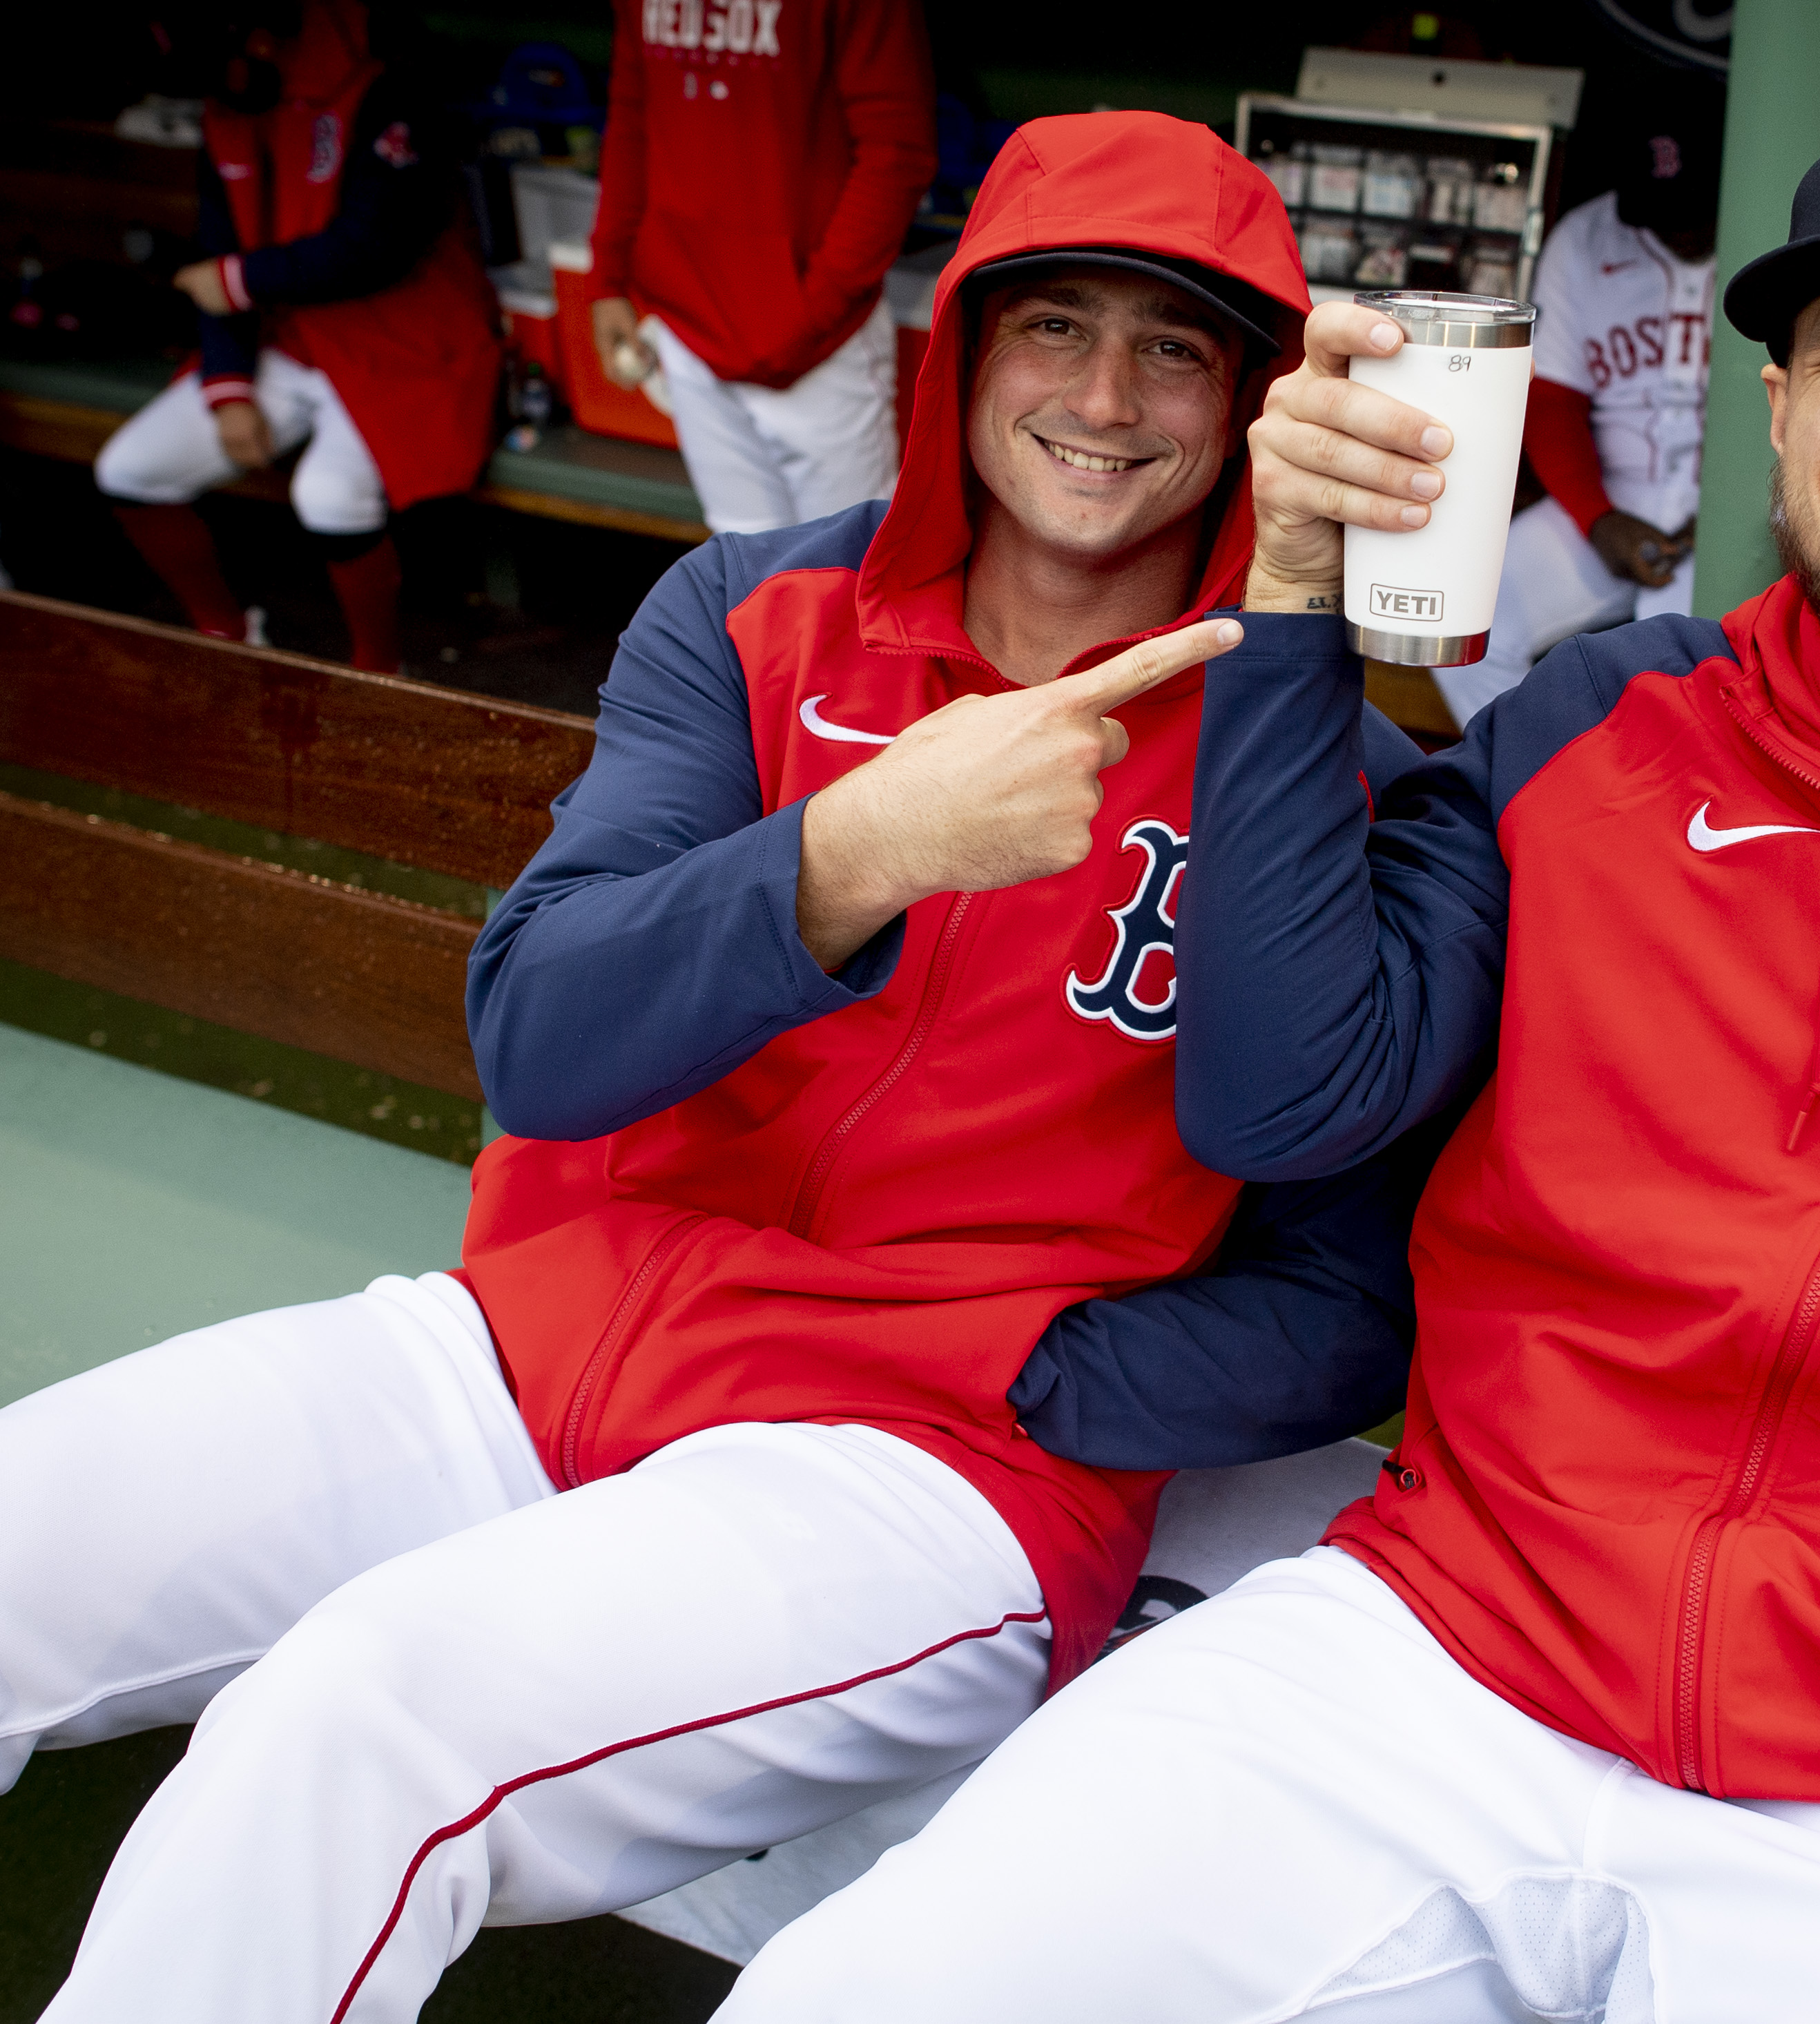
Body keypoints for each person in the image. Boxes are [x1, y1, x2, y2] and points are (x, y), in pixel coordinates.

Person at [713, 108, 1820, 2023]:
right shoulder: (1592, 731)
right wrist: (1288, 609)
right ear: (1777, 411)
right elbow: (1284, 1102)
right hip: (1436, 1652)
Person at [1, 113, 1435, 2024]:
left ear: (1253, 401)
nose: (1104, 395)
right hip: (537, 1341)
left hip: (906, 1470)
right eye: (1053, 325)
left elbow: (1347, 1304)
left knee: (353, 1719)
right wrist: (857, 851)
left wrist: (1019, 1366)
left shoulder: (1337, 777)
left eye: (1176, 346)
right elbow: (543, 1034)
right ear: (959, 355)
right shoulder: (760, 613)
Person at [95, 0, 501, 671]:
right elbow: (215, 257)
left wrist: (237, 280)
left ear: (258, 38)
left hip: (409, 345)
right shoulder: (228, 110)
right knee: (131, 468)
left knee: (329, 493)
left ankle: (379, 670)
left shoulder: (381, 88)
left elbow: (377, 245)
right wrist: (229, 388)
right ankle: (225, 638)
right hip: (297, 340)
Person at [585, 0, 934, 534]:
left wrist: (811, 312)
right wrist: (606, 278)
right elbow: (634, 114)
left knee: (846, 580)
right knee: (745, 573)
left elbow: (897, 151)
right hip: (687, 325)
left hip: (819, 351)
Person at [1440, 106, 1722, 729]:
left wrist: (1740, 508)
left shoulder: (1772, 229)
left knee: (1673, 667)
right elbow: (1553, 400)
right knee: (1463, 614)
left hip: (1734, 504)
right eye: (1661, 211)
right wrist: (1597, 518)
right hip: (1618, 494)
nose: (1678, 230)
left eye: (1694, 209)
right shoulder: (1586, 237)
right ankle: (1530, 783)